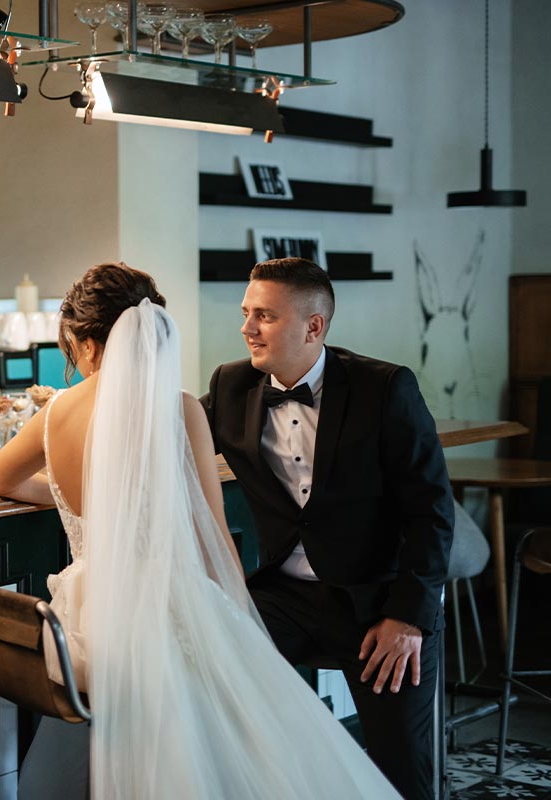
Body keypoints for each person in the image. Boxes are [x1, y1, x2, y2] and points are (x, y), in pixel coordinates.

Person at [0, 262, 402, 799]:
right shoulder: (178, 409)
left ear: (86, 343)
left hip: (89, 617)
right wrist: (237, 622)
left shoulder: (56, 411)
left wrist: (67, 496)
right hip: (166, 602)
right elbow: (213, 533)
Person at [201, 257, 454, 800]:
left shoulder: (385, 387)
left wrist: (407, 617)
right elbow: (165, 436)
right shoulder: (229, 386)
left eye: (263, 316)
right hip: (282, 598)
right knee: (202, 695)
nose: (246, 328)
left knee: (402, 769)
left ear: (313, 327)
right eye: (246, 313)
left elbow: (431, 510)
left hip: (379, 601)